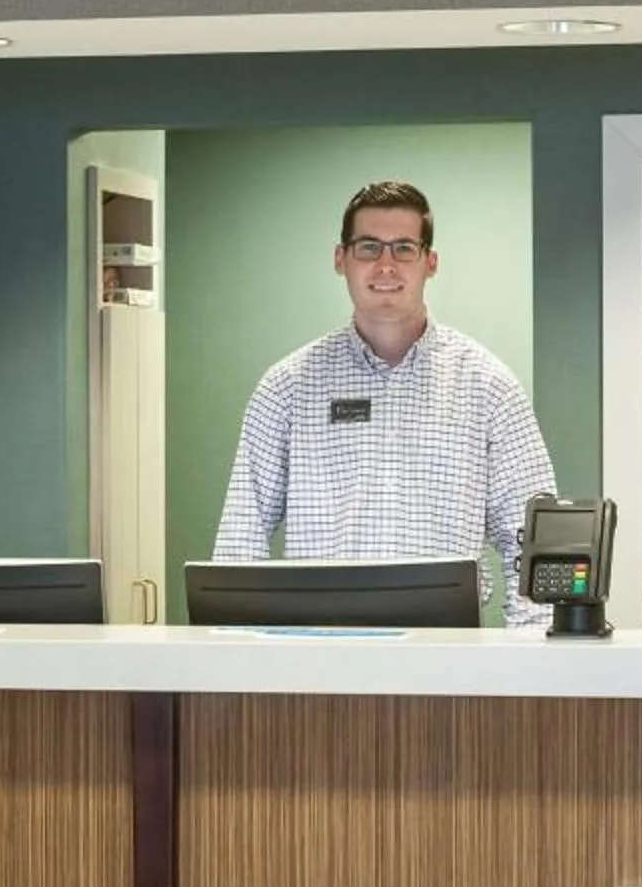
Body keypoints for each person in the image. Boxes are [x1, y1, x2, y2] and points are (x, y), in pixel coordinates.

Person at [211, 179, 560, 627]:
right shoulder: (287, 388)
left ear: (430, 263)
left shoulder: (488, 386)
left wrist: (528, 665)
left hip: (449, 659)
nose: (386, 266)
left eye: (404, 249)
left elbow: (531, 543)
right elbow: (242, 536)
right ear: (342, 259)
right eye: (369, 248)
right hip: (317, 657)